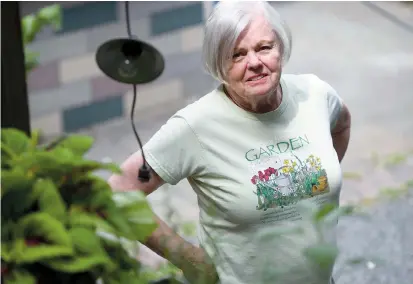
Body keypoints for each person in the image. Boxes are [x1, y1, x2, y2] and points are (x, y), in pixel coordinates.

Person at [108, 1, 351, 284]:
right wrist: (185, 256)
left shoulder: (315, 94)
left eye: (264, 47)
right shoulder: (196, 126)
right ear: (218, 65)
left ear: (281, 47)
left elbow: (342, 122)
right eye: (237, 55)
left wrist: (311, 181)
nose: (254, 62)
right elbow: (117, 191)